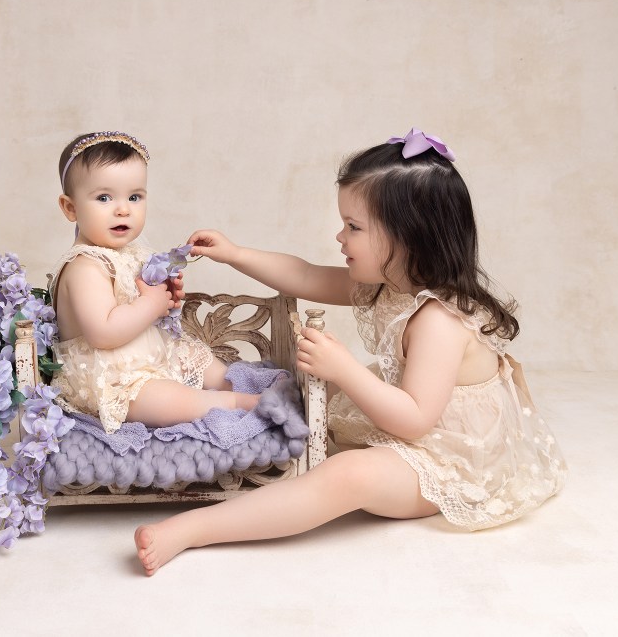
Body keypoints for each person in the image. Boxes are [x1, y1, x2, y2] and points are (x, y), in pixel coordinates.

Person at [134, 128, 567, 575]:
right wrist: (237, 254)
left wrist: (342, 369)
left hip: (452, 458)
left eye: (354, 227)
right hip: (415, 420)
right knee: (314, 411)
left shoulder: (439, 321)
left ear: (409, 236)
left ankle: (194, 529)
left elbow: (416, 419)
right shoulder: (389, 285)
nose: (340, 236)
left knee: (349, 476)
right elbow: (303, 275)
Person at [49, 131, 260, 434]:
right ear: (70, 208)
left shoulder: (132, 253)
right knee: (168, 401)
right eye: (104, 198)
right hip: (113, 381)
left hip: (147, 357)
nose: (123, 209)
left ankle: (237, 381)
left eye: (134, 197)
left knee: (196, 356)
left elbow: (140, 305)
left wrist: (165, 299)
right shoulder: (85, 266)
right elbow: (103, 333)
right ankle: (238, 403)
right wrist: (150, 303)